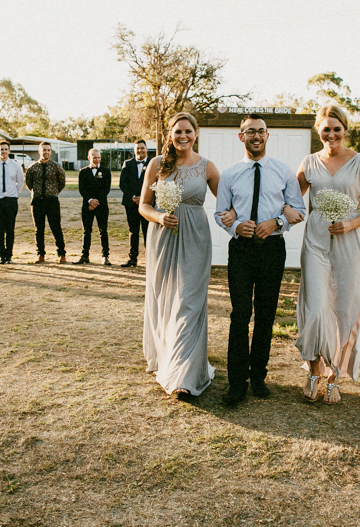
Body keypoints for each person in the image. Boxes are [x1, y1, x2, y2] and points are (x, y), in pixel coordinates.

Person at [214, 114, 306, 405]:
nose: (256, 136)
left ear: (267, 136)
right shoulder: (229, 175)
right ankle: (236, 383)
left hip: (271, 250)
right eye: (250, 131)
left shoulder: (283, 171)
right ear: (241, 137)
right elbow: (220, 212)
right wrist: (234, 226)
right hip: (241, 250)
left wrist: (276, 223)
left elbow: (298, 208)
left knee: (265, 315)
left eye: (261, 131)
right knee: (240, 315)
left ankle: (258, 377)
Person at [296, 105, 360, 405]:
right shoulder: (309, 163)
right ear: (318, 130)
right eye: (326, 129)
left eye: (336, 128)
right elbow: (291, 199)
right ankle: (314, 371)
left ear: (345, 129)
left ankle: (334, 376)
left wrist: (350, 222)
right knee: (316, 307)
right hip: (316, 242)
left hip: (350, 242)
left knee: (345, 308)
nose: (331, 134)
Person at [140, 112, 221, 399]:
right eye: (177, 132)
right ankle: (167, 358)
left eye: (188, 131)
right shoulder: (157, 164)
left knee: (188, 301)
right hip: (163, 237)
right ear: (169, 135)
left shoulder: (207, 167)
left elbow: (227, 203)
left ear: (195, 134)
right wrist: (160, 218)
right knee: (165, 299)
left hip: (196, 238)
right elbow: (144, 205)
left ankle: (184, 376)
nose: (183, 136)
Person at [24, 142, 67, 264]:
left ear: (51, 152)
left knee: (56, 228)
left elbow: (62, 182)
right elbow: (29, 184)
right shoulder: (32, 168)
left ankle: (62, 254)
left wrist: (52, 191)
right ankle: (40, 254)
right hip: (37, 201)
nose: (46, 152)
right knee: (39, 229)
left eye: (48, 150)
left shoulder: (56, 167)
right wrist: (37, 192)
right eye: (44, 150)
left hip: (52, 200)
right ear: (39, 151)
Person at [0, 139, 24, 265]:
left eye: (6, 149)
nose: (4, 151)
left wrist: (13, 194)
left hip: (11, 199)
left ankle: (9, 255)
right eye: (1, 149)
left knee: (10, 229)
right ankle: (1, 255)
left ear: (9, 150)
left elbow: (20, 182)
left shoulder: (15, 166)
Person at [76, 148, 112, 265]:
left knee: (103, 231)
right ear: (89, 158)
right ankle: (85, 255)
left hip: (101, 205)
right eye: (94, 157)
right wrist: (90, 201)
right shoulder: (83, 172)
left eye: (98, 157)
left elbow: (106, 189)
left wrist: (96, 202)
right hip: (87, 206)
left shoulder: (106, 171)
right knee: (87, 231)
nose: (96, 160)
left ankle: (105, 255)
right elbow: (82, 189)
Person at [119, 139, 151, 268]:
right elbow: (123, 183)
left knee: (147, 231)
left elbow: (155, 183)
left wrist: (143, 198)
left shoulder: (152, 163)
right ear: (134, 150)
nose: (140, 150)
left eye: (142, 148)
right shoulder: (127, 164)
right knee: (133, 231)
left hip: (147, 204)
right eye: (137, 148)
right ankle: (133, 258)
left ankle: (150, 260)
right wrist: (133, 196)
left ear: (146, 149)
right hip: (131, 203)